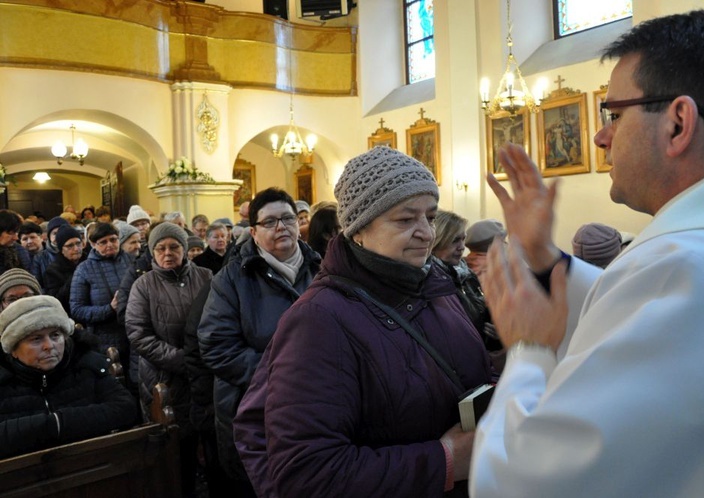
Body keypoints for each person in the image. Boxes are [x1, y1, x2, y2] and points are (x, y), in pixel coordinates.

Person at [470, 11, 704, 497]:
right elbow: (637, 316)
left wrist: (530, 350)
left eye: (614, 114)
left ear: (678, 123)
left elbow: (518, 481)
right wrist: (546, 262)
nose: (600, 136)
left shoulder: (685, 268)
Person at [234, 147, 491, 497]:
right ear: (358, 229)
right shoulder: (319, 319)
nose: (427, 233)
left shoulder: (435, 287)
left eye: (430, 217)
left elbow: (468, 375)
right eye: (405, 219)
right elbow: (308, 473)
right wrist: (443, 461)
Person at [198, 187, 321, 495]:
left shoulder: (321, 270)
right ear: (252, 232)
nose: (281, 227)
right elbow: (217, 348)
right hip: (257, 412)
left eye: (287, 218)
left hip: (319, 405)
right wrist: (285, 375)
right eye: (270, 222)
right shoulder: (231, 280)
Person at [126, 222, 213, 496]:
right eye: (160, 248)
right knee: (175, 449)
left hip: (205, 376)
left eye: (174, 246)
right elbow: (139, 334)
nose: (168, 253)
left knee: (209, 441)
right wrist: (183, 360)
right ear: (152, 252)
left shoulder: (206, 276)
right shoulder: (144, 285)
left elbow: (220, 320)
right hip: (165, 379)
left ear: (185, 249)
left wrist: (206, 358)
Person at [0, 295, 137, 459]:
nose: (49, 346)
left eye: (55, 335)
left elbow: (125, 408)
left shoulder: (85, 365)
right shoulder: (4, 382)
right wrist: (52, 425)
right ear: (13, 349)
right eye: (36, 339)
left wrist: (61, 421)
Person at [431, 210, 502, 359]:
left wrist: (498, 334)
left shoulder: (467, 275)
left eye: (463, 240)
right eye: (455, 240)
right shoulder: (432, 282)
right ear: (438, 241)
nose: (462, 247)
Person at [69, 222, 133, 378]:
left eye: (113, 239)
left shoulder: (132, 262)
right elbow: (77, 309)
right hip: (104, 339)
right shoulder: (84, 269)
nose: (109, 245)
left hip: (134, 335)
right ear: (92, 244)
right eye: (103, 242)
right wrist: (109, 308)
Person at [43, 225, 85, 314]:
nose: (76, 249)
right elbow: (56, 301)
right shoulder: (52, 271)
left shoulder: (89, 261)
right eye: (70, 246)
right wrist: (76, 276)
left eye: (78, 243)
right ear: (61, 249)